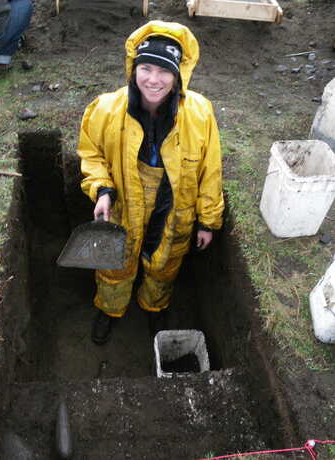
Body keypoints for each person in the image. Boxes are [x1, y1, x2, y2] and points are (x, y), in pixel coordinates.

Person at [77, 21, 224, 345]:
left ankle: (154, 307)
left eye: (164, 71)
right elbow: (91, 154)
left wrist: (207, 221)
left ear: (178, 75)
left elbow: (210, 170)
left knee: (165, 261)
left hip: (173, 204)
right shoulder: (106, 109)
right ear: (133, 68)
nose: (154, 80)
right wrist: (102, 190)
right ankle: (109, 309)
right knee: (116, 261)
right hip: (124, 201)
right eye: (146, 68)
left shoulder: (200, 114)